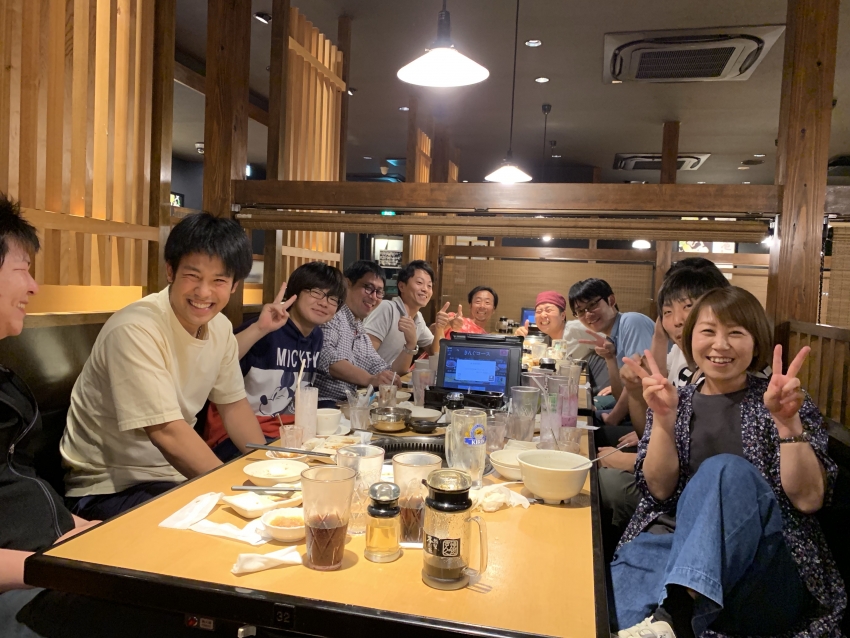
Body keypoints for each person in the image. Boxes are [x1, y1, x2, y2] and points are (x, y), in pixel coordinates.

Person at [0, 196, 198, 638]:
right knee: (179, 612)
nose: (33, 286)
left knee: (188, 567)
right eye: (22, 270)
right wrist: (56, 564)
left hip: (56, 552)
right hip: (28, 584)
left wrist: (86, 532)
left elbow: (20, 490)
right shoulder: (136, 327)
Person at [612, 287, 845, 638]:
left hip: (764, 563)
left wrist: (787, 424)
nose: (720, 345)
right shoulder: (675, 399)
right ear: (690, 339)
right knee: (602, 617)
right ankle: (672, 610)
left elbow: (809, 500)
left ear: (755, 342)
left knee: (725, 471)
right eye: (708, 331)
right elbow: (658, 491)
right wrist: (663, 421)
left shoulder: (781, 400)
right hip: (668, 544)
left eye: (735, 333)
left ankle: (676, 608)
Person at [60, 213, 266, 520]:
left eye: (219, 281)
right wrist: (234, 492)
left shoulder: (220, 328)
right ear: (171, 270)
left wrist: (268, 470)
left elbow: (234, 407)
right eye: (193, 276)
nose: (204, 292)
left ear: (234, 285)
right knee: (228, 524)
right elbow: (166, 432)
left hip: (173, 479)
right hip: (107, 488)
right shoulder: (136, 328)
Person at [597, 261, 731, 546]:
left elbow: (700, 467)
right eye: (668, 311)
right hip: (669, 482)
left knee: (601, 481)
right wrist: (635, 391)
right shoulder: (685, 359)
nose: (678, 320)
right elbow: (652, 429)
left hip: (699, 507)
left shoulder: (732, 376)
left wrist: (631, 461)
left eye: (688, 306)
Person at [204, 261, 345, 461]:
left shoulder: (316, 337)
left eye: (333, 298)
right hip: (236, 435)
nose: (324, 303)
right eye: (316, 292)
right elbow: (215, 365)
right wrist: (259, 329)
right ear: (295, 293)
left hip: (288, 432)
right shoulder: (266, 327)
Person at [314, 260, 402, 402]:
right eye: (368, 288)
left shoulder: (358, 328)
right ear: (347, 284)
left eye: (379, 292)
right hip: (323, 404)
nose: (373, 297)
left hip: (348, 404)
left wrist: (389, 377)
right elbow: (326, 357)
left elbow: (377, 364)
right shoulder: (333, 314)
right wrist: (369, 379)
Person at [363, 260, 451, 366]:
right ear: (402, 286)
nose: (425, 289)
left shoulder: (418, 318)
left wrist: (439, 328)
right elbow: (364, 356)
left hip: (393, 375)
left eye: (429, 286)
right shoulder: (387, 309)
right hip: (372, 375)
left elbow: (435, 354)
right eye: (419, 283)